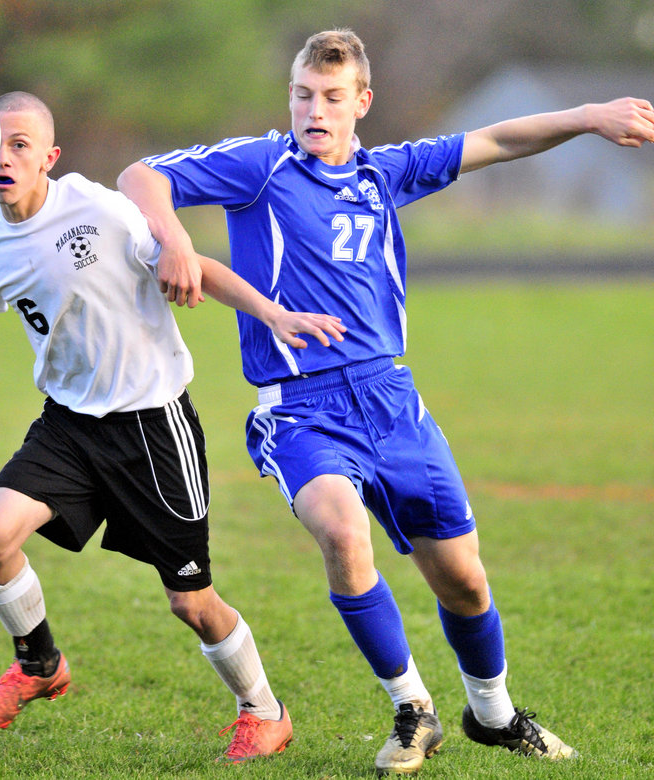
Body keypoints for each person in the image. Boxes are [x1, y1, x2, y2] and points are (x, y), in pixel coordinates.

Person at [117, 29, 654, 776]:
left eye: (333, 97)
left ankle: (493, 715)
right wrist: (172, 237)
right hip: (302, 410)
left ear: (361, 103)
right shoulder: (261, 166)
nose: (315, 109)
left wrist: (590, 112)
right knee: (342, 532)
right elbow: (140, 176)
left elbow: (497, 137)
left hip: (392, 399)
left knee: (462, 578)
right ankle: (413, 710)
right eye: (304, 94)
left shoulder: (385, 173)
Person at [0, 91, 346, 763]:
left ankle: (264, 711)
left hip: (153, 427)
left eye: (22, 145)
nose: (6, 157)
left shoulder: (96, 209)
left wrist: (274, 315)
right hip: (69, 426)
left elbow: (193, 266)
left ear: (49, 157)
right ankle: (40, 664)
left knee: (191, 602)